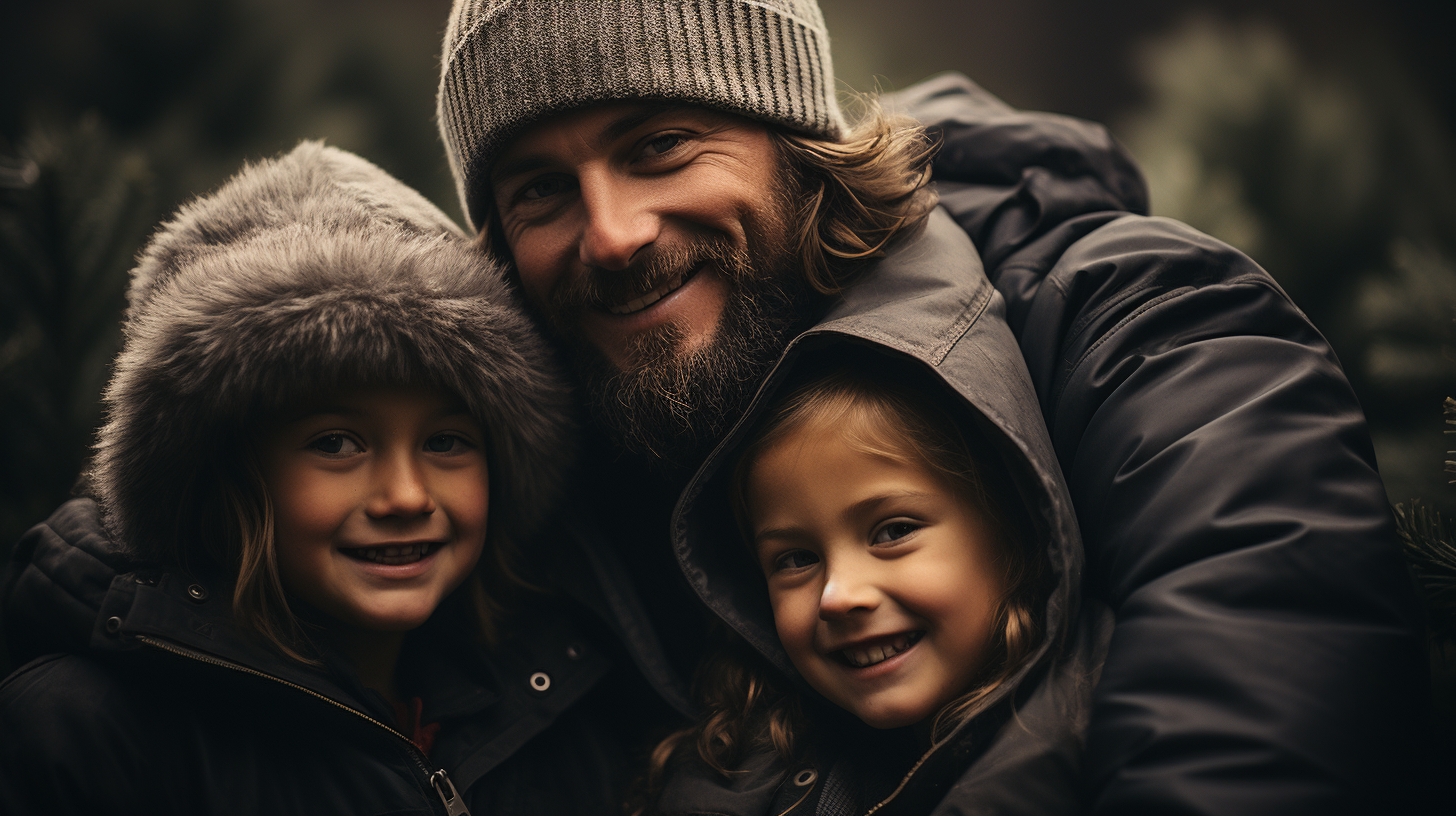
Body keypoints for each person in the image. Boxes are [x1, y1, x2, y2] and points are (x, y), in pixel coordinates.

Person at [431, 1, 1428, 813]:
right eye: (540, 192)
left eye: (659, 144)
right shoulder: (499, 498)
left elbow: (1260, 648)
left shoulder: (1132, 318)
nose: (609, 233)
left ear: (795, 143)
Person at [0, 142, 624, 815]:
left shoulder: (555, 705)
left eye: (447, 442)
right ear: (221, 469)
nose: (406, 497)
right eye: (336, 443)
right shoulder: (86, 738)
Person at [649, 347, 1111, 816]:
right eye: (796, 559)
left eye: (894, 532)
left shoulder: (1106, 728)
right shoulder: (735, 762)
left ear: (1011, 528)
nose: (838, 596)